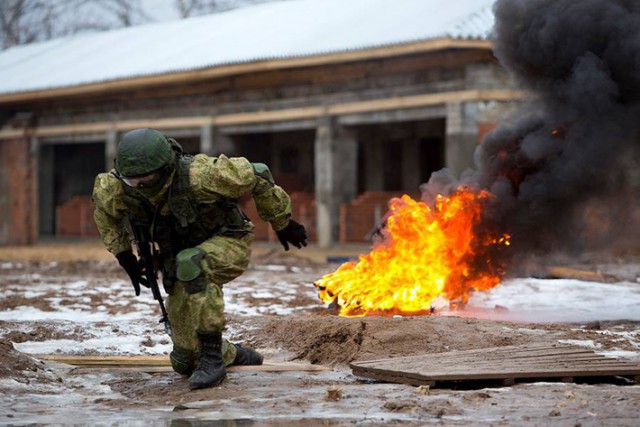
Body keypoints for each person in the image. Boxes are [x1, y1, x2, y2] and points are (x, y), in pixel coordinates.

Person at [92, 128, 308, 390]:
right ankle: (232, 353)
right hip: (179, 258)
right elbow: (106, 214)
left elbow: (258, 172)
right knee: (183, 361)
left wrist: (281, 221)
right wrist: (124, 254)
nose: (139, 187)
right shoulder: (114, 187)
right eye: (131, 181)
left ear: (165, 169)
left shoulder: (201, 175)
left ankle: (213, 359)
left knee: (191, 262)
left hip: (229, 242)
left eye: (146, 180)